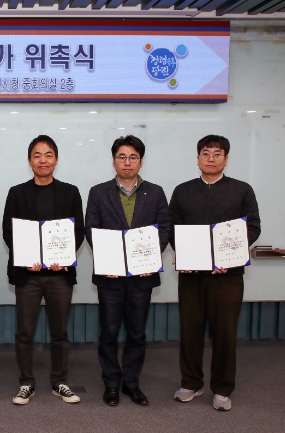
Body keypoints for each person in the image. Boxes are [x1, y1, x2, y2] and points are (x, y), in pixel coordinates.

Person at [169, 135, 261, 411]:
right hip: (191, 276)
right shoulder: (183, 191)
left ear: (226, 159)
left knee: (225, 333)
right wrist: (183, 253)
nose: (211, 158)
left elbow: (253, 227)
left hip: (228, 276)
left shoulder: (242, 190)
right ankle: (191, 383)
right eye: (206, 153)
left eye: (217, 154)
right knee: (190, 331)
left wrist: (230, 256)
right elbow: (173, 227)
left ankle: (222, 388)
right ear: (198, 158)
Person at [85, 135, 171, 407]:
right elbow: (91, 229)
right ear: (113, 161)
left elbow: (165, 228)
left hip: (141, 277)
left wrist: (150, 260)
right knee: (109, 332)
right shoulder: (99, 192)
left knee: (136, 333)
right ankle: (111, 383)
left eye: (133, 157)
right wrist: (106, 261)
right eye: (121, 157)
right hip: (110, 277)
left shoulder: (155, 192)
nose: (127, 162)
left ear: (141, 162)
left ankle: (131, 383)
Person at [2, 135, 85, 405]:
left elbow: (78, 231)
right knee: (24, 332)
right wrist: (26, 258)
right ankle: (26, 383)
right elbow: (9, 232)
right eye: (37, 155)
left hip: (59, 274)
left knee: (60, 332)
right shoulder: (17, 193)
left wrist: (65, 256)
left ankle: (59, 381)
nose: (43, 160)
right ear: (29, 161)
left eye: (48, 155)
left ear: (56, 160)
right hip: (28, 275)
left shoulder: (70, 192)